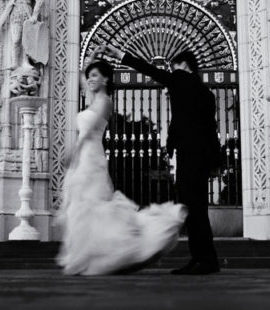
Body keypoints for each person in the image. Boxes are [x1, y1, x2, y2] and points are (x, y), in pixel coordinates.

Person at [56, 47, 186, 276]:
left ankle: (121, 248)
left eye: (95, 75)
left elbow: (89, 132)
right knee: (82, 206)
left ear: (106, 79)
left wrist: (73, 152)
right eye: (90, 76)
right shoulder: (92, 96)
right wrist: (91, 59)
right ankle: (88, 252)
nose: (90, 79)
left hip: (91, 157)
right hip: (84, 157)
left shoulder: (104, 101)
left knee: (93, 204)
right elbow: (78, 77)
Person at [103, 45, 221, 275]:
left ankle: (203, 260)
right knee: (198, 209)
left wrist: (120, 55)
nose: (170, 71)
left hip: (189, 155)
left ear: (183, 66)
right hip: (202, 157)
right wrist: (216, 162)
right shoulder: (207, 94)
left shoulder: (179, 79)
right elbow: (211, 129)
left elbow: (150, 70)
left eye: (173, 67)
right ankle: (204, 259)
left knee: (192, 207)